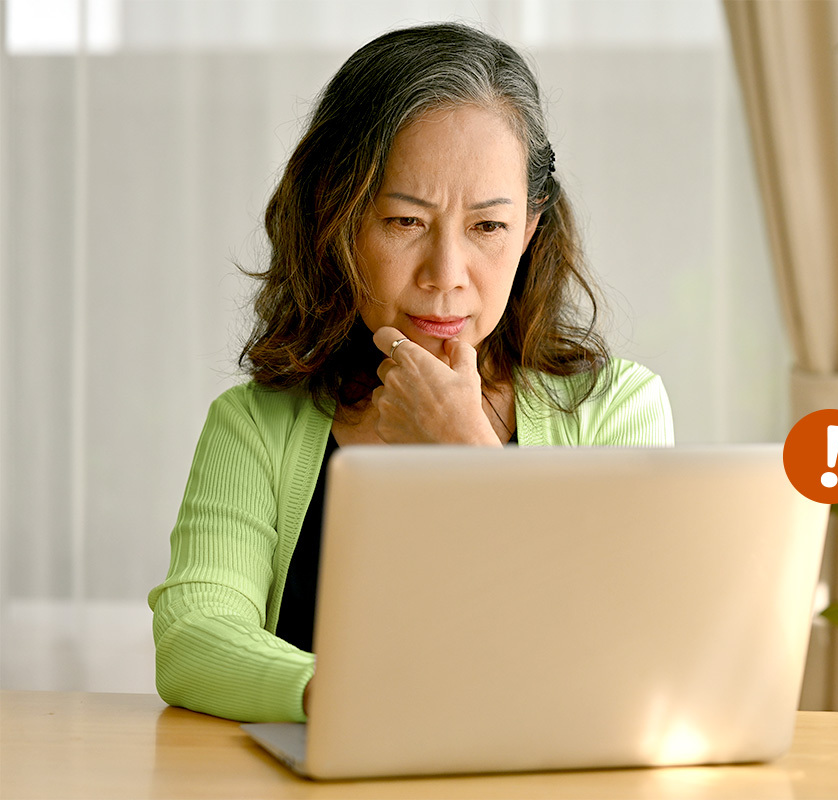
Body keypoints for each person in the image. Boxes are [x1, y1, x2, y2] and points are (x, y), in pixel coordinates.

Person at [147, 22, 673, 724]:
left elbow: (623, 652)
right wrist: (361, 698)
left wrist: (467, 454)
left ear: (531, 227)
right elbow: (192, 639)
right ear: (337, 218)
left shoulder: (616, 408)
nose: (446, 278)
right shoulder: (255, 424)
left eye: (487, 228)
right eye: (403, 222)